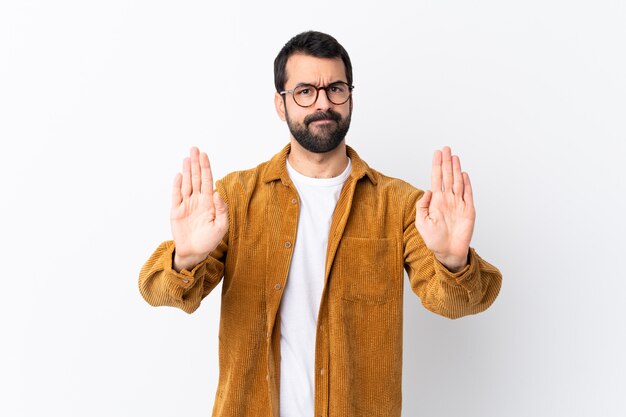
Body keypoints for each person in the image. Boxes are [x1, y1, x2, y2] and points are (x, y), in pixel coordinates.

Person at [139, 31, 502, 417]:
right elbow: (162, 293)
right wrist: (186, 257)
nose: (323, 103)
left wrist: (452, 260)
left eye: (336, 88)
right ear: (281, 104)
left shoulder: (400, 205)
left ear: (350, 98)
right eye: (305, 91)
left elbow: (458, 302)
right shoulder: (234, 199)